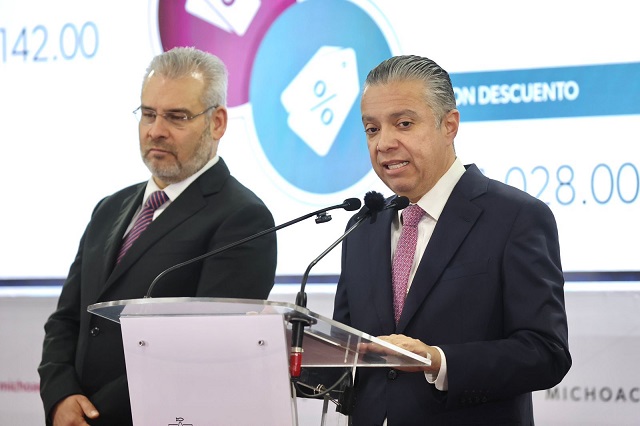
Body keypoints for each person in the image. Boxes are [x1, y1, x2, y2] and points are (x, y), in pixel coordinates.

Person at [38, 47, 277, 426]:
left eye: (176, 117)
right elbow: (66, 319)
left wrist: (93, 416)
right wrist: (61, 395)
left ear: (217, 123)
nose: (156, 130)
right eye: (148, 114)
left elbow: (204, 349)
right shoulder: (109, 208)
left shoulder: (243, 218)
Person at [331, 55, 571, 425]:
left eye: (404, 123)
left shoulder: (516, 217)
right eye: (372, 129)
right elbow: (347, 355)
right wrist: (289, 350)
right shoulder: (363, 227)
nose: (384, 143)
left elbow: (546, 352)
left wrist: (438, 361)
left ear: (449, 125)